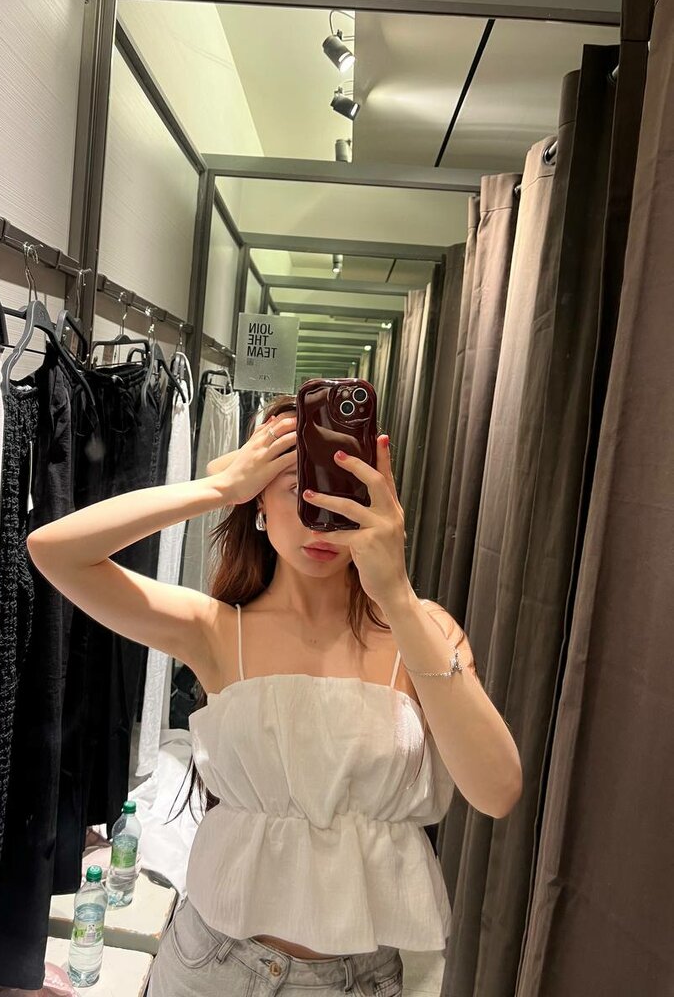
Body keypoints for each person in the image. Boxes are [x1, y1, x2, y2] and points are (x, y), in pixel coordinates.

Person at [27, 392, 522, 997]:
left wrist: (396, 595)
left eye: (342, 489)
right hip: (210, 964)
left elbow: (497, 791)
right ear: (259, 500)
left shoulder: (421, 631)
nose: (319, 515)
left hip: (356, 981)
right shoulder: (216, 630)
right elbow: (54, 550)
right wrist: (218, 488)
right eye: (297, 487)